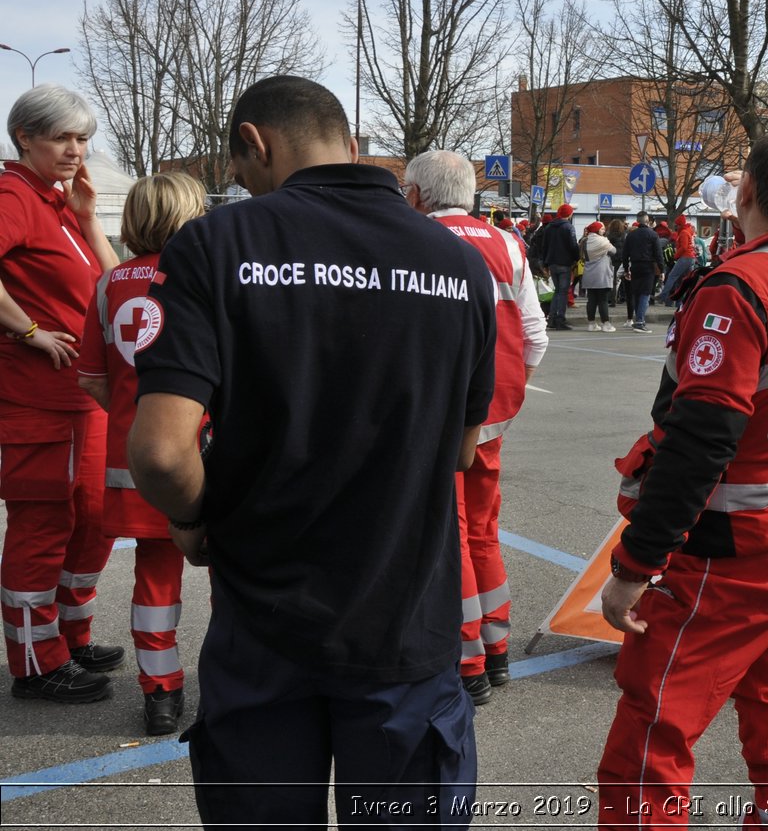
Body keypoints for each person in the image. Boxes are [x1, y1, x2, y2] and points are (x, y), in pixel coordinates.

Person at [127, 75, 494, 826]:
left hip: (264, 626)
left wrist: (193, 521)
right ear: (351, 145)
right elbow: (463, 450)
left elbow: (162, 452)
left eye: (239, 168)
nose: (242, 183)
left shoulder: (218, 243)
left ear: (255, 143)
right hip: (404, 628)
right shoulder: (459, 264)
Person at [596, 126, 768, 828]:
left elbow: (701, 441)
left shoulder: (743, 286)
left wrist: (635, 562)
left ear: (746, 191)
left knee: (651, 736)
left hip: (732, 550)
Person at [403, 149, 547, 705]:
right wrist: (506, 390)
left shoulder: (415, 243)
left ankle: (468, 662)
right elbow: (534, 334)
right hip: (493, 413)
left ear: (417, 195)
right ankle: (497, 646)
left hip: (438, 416)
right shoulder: (508, 242)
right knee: (483, 530)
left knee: (452, 534)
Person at [1, 84, 124, 704]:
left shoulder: (55, 204)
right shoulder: (13, 195)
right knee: (44, 522)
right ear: (25, 138)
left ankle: (69, 636)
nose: (77, 150)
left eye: (83, 138)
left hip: (81, 398)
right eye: (62, 138)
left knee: (94, 520)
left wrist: (84, 216)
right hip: (37, 400)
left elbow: (111, 283)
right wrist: (25, 329)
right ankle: (34, 661)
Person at [77, 172, 207, 733]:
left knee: (154, 579)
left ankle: (160, 694)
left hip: (137, 464)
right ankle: (238, 686)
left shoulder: (109, 287)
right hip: (204, 456)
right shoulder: (203, 275)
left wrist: (134, 408)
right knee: (236, 574)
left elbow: (92, 378)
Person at [540, 202, 580, 329]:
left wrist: (546, 263)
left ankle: (551, 318)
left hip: (552, 262)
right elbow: (573, 245)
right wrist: (576, 258)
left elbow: (544, 246)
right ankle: (559, 320)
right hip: (564, 263)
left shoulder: (549, 227)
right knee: (563, 292)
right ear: (569, 214)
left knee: (557, 291)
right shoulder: (568, 227)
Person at [621, 212, 660, 332]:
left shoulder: (631, 235)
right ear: (647, 221)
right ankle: (639, 322)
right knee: (645, 294)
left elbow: (625, 254)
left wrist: (627, 269)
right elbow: (658, 254)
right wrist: (662, 270)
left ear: (638, 221)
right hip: (648, 266)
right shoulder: (653, 234)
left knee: (637, 293)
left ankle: (639, 320)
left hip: (635, 266)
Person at [580, 220, 619, 331]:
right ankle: (606, 324)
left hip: (589, 273)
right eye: (602, 229)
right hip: (602, 274)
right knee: (603, 300)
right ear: (597, 230)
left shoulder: (585, 241)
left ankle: (591, 323)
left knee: (591, 300)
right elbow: (614, 251)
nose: (604, 230)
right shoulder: (603, 241)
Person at [661, 214, 698, 305]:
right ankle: (680, 302)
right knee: (683, 280)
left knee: (672, 276)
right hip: (690, 258)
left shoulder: (683, 233)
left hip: (685, 257)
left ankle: (663, 296)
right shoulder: (688, 231)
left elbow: (684, 247)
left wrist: (675, 256)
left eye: (676, 225)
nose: (675, 226)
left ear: (679, 225)